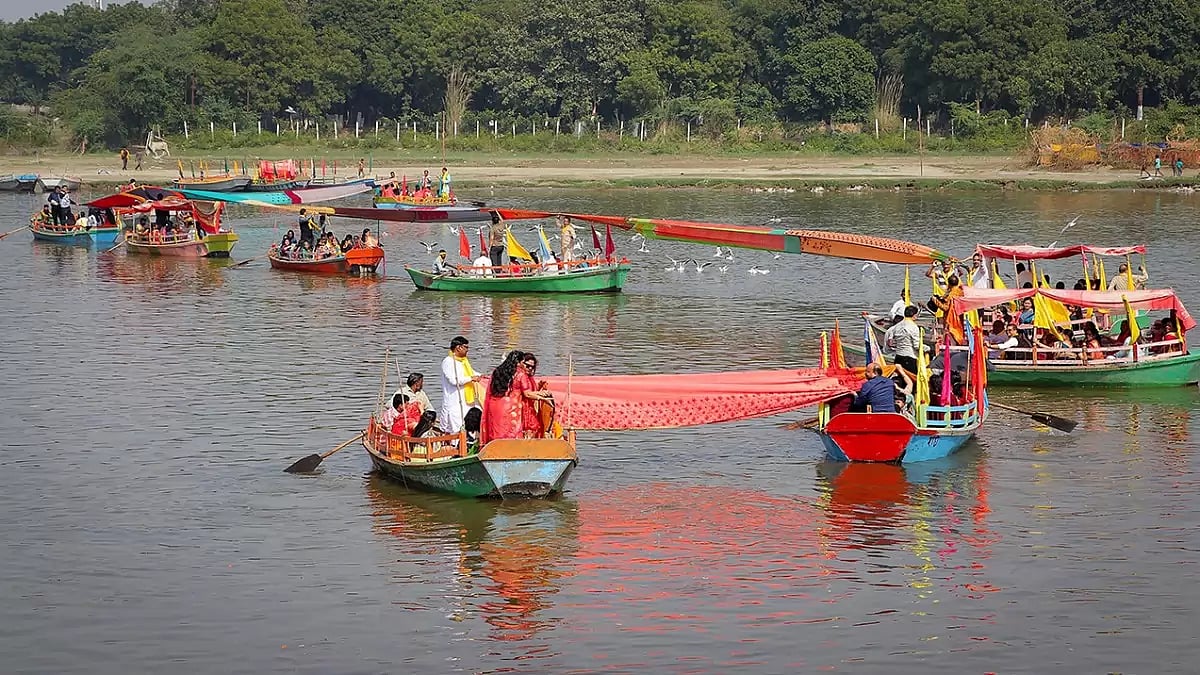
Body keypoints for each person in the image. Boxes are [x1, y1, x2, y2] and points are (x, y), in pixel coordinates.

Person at [481, 350, 553, 444]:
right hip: (511, 408)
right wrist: (542, 398)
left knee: (497, 431)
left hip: (495, 405)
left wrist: (540, 394)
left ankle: (496, 451)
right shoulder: (520, 374)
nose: (525, 366)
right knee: (510, 433)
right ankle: (511, 452)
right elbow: (527, 393)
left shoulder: (497, 371)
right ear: (518, 362)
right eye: (523, 362)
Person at [438, 336, 482, 433]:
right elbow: (454, 380)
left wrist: (481, 377)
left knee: (470, 428)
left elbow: (472, 373)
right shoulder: (448, 361)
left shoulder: (463, 362)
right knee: (457, 430)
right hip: (454, 403)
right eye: (466, 347)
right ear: (458, 347)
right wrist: (471, 378)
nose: (467, 350)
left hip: (466, 401)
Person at [891, 305, 921, 374]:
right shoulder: (913, 327)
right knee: (912, 379)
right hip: (909, 357)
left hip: (898, 356)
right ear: (914, 315)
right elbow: (916, 346)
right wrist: (926, 348)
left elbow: (894, 341)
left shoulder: (897, 326)